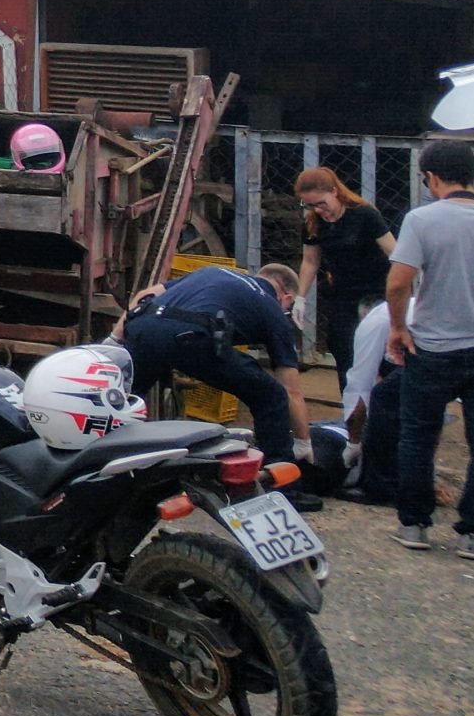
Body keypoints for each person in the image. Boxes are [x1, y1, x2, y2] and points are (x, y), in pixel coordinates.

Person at [386, 137, 474, 556]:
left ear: (431, 177)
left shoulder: (421, 220)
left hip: (431, 347)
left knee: (417, 436)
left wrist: (398, 328)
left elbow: (399, 283)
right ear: (471, 174)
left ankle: (414, 526)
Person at [117, 261, 313, 473]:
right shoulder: (273, 309)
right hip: (191, 337)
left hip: (142, 327)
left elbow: (146, 294)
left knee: (124, 400)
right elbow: (291, 390)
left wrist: (113, 341)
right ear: (287, 298)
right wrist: (303, 442)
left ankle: (106, 463)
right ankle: (280, 481)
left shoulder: (213, 272)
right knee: (271, 396)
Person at [296, 167, 395, 380]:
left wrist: (399, 292)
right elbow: (310, 261)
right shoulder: (313, 222)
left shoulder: (364, 214)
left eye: (321, 203)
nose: (318, 210)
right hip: (341, 296)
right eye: (310, 205)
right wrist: (300, 297)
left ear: (334, 191)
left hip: (376, 292)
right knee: (345, 355)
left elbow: (394, 253)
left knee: (386, 357)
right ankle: (353, 409)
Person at [338, 299, 406, 504]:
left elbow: (360, 388)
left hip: (439, 348)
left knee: (382, 397)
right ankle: (415, 483)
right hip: (466, 344)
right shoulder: (405, 310)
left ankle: (379, 487)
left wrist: (353, 443)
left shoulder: (373, 321)